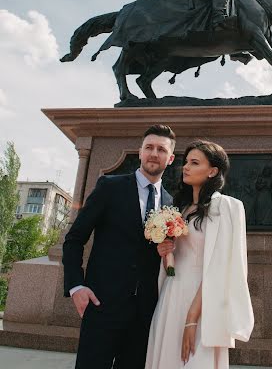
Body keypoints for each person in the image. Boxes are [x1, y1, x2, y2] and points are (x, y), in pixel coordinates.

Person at [62, 124, 176, 369]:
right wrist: (76, 286)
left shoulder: (170, 203)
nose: (154, 153)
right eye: (149, 147)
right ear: (140, 151)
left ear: (171, 158)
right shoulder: (109, 187)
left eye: (161, 149)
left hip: (145, 313)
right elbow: (74, 239)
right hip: (102, 305)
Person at [145, 140, 254, 369]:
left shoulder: (227, 207)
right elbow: (173, 266)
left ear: (212, 171)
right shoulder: (180, 209)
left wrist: (192, 320)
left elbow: (220, 266)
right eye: (186, 162)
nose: (186, 167)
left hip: (203, 300)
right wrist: (166, 254)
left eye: (194, 163)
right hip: (171, 295)